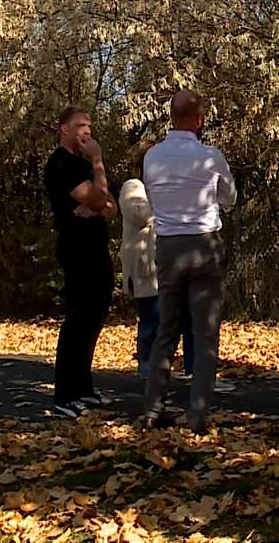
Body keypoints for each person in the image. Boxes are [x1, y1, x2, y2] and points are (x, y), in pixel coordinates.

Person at [141, 90, 238, 432]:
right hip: (203, 244)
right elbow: (229, 198)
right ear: (200, 119)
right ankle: (197, 415)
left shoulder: (152, 156)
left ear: (170, 117)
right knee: (205, 332)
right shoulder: (210, 156)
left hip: (168, 244)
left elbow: (153, 197)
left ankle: (154, 408)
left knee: (167, 329)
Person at [43, 106, 117, 419]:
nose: (87, 132)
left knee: (94, 318)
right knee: (77, 320)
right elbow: (100, 197)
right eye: (81, 126)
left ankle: (83, 388)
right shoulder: (62, 164)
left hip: (96, 247)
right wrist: (98, 162)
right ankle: (64, 395)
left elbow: (110, 205)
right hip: (77, 248)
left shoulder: (80, 165)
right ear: (64, 129)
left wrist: (99, 205)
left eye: (89, 126)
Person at [119, 139, 196, 379]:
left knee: (179, 317)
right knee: (152, 316)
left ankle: (179, 364)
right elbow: (140, 213)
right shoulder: (133, 186)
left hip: (170, 262)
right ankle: (146, 362)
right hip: (145, 265)